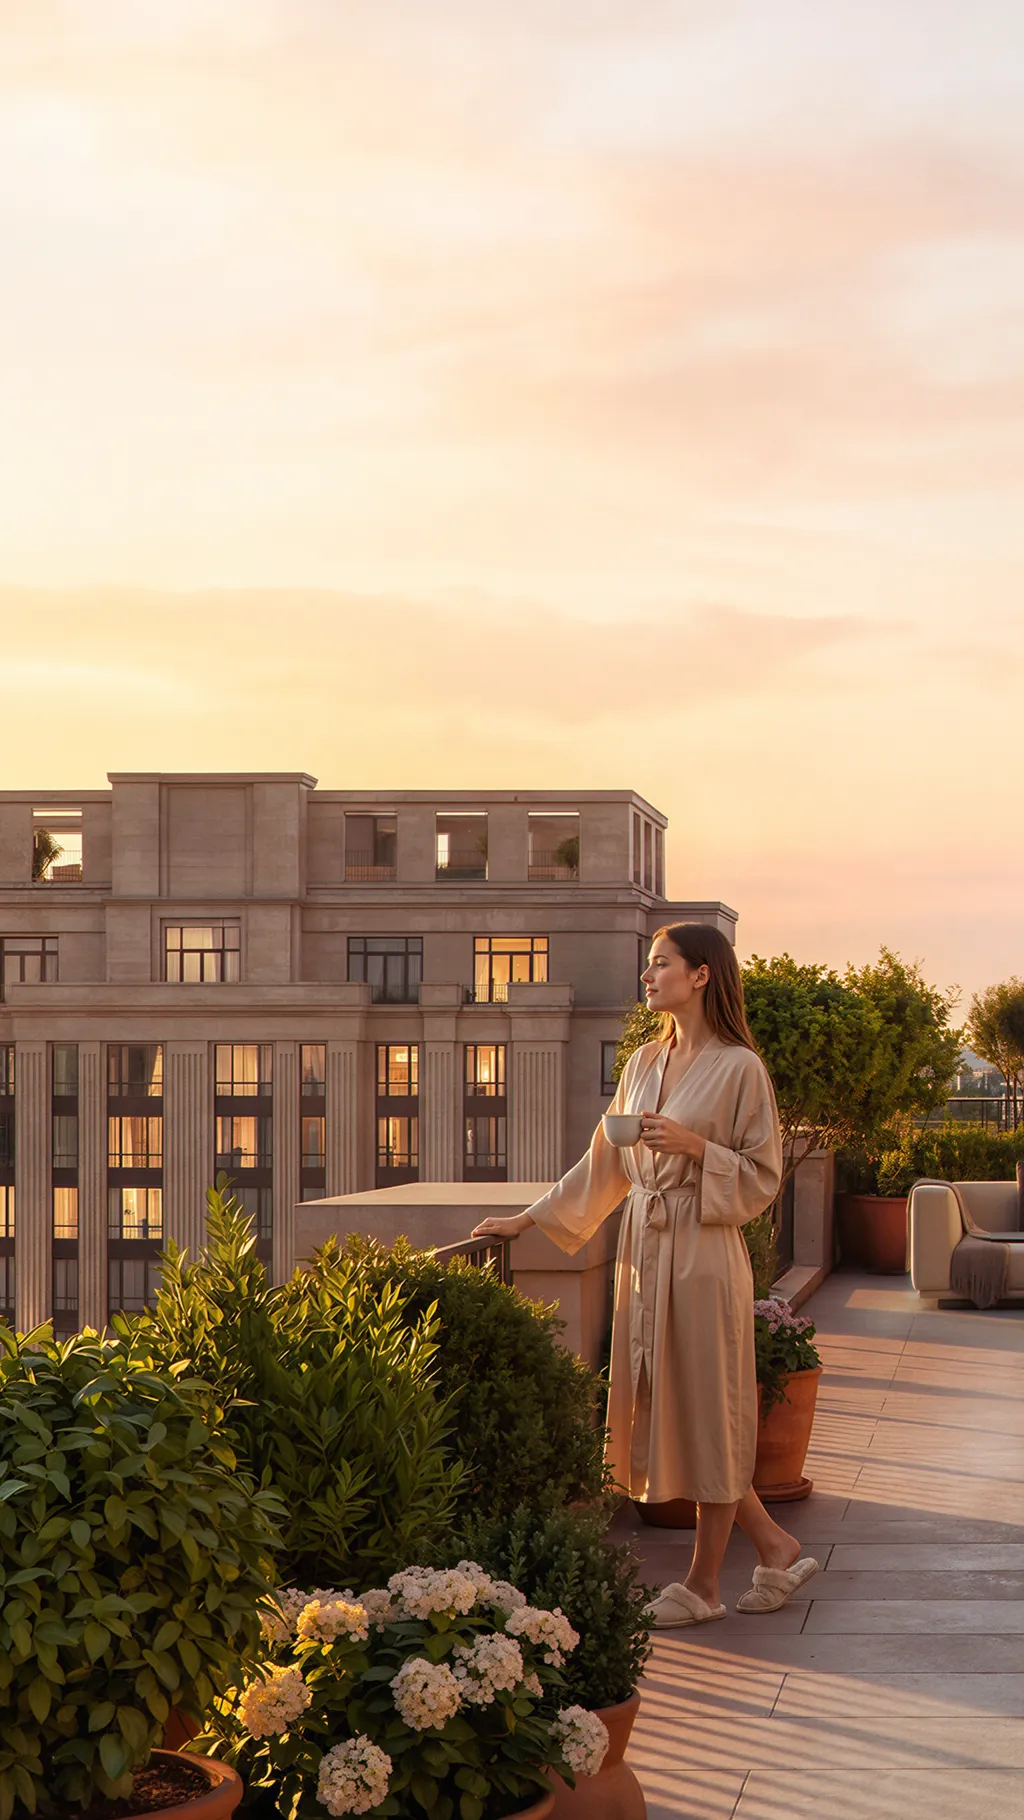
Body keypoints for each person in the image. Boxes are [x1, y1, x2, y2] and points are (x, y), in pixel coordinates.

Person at [472, 922, 819, 1625]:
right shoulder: (639, 1063)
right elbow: (604, 1159)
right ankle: (775, 1547)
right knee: (675, 1408)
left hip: (704, 1251)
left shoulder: (740, 1068)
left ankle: (703, 1586)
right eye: (648, 966)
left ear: (701, 976)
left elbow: (764, 1175)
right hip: (644, 1248)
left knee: (709, 1410)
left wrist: (697, 1149)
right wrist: (528, 1219)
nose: (647, 976)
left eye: (661, 964)